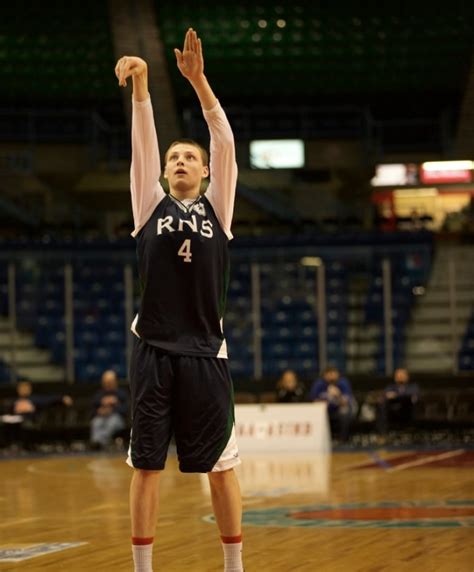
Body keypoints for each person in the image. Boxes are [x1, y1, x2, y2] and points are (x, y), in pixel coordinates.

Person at [115, 28, 243, 572]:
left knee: (220, 466)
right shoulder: (149, 204)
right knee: (146, 465)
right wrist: (141, 87)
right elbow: (142, 142)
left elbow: (224, 138)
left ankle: (233, 565)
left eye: (191, 157)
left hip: (205, 353)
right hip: (154, 350)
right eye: (175, 158)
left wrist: (197, 80)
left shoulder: (219, 207)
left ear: (208, 171)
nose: (182, 161)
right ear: (165, 172)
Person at [1, 380, 73, 449]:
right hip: (14, 422)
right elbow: (9, 411)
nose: (23, 390)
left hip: (29, 421)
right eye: (21, 388)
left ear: (30, 389)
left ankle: (26, 446)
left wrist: (62, 398)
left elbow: (49, 399)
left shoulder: (35, 399)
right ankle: (6, 445)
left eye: (26, 388)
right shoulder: (14, 401)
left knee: (25, 425)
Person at [308, 366, 356, 442]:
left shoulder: (343, 383)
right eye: (329, 374)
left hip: (339, 409)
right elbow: (313, 401)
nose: (332, 377)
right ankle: (318, 441)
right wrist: (323, 403)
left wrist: (338, 395)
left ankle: (342, 440)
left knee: (344, 413)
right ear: (324, 375)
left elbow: (345, 403)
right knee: (314, 414)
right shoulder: (319, 384)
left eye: (334, 374)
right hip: (324, 411)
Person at [90, 370, 128, 449]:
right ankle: (96, 443)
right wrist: (100, 411)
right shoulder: (99, 395)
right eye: (106, 381)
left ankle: (99, 443)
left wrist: (113, 409)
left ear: (115, 381)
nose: (108, 383)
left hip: (117, 418)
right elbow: (92, 410)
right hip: (101, 417)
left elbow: (126, 409)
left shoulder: (121, 393)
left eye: (110, 381)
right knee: (96, 422)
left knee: (112, 422)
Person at [377, 367, 419, 436]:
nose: (400, 377)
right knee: (383, 404)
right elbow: (385, 396)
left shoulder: (413, 386)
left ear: (407, 376)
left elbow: (411, 396)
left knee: (407, 401)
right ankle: (382, 434)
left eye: (402, 375)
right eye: (398, 376)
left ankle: (411, 430)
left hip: (407, 411)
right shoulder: (390, 387)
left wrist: (396, 395)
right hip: (392, 412)